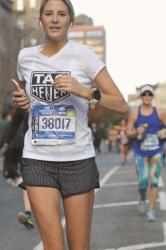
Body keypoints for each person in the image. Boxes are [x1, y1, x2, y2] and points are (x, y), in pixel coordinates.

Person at [12, 0, 128, 249]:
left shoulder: (84, 55)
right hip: (38, 159)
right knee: (53, 246)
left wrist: (84, 90)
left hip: (77, 161)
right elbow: (25, 97)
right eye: (49, 14)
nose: (55, 19)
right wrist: (20, 100)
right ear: (40, 20)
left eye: (62, 14)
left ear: (70, 22)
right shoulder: (26, 57)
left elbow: (121, 104)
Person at [127, 84, 166, 222]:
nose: (147, 96)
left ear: (152, 96)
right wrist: (136, 132)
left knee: (154, 180)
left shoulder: (160, 112)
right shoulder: (134, 112)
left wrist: (164, 132)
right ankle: (143, 198)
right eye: (144, 94)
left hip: (156, 151)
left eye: (150, 94)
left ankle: (151, 210)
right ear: (141, 96)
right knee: (143, 182)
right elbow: (128, 132)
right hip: (140, 152)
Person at [0, 108, 35, 229]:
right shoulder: (24, 99)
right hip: (30, 149)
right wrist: (4, 144)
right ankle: (28, 214)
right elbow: (14, 124)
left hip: (53, 149)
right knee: (28, 181)